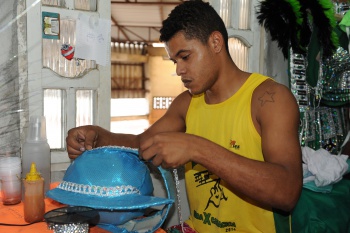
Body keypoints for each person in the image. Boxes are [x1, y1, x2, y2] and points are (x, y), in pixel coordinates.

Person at [66, 0, 303, 232]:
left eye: (185, 56)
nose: (179, 70)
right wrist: (99, 137)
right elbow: (144, 144)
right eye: (175, 61)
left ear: (216, 42)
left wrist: (196, 148)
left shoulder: (270, 99)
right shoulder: (187, 103)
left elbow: (287, 193)